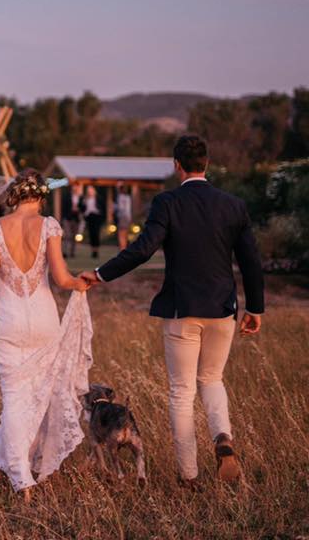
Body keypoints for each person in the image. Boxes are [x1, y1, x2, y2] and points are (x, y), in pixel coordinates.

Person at [82, 135, 265, 488]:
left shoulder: (168, 202)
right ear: (206, 163)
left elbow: (142, 250)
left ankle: (189, 474)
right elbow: (251, 262)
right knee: (212, 379)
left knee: (182, 391)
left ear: (176, 165)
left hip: (182, 310)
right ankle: (222, 437)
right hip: (223, 308)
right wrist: (255, 307)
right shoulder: (233, 205)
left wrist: (101, 274)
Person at [0, 169, 93, 502]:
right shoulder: (49, 225)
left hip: (7, 319)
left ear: (15, 194)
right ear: (39, 195)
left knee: (14, 397)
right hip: (43, 318)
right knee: (39, 395)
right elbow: (63, 278)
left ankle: (22, 478)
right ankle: (28, 463)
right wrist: (83, 284)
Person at [63, 183, 83, 257]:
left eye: (77, 187)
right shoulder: (67, 197)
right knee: (67, 235)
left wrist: (78, 209)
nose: (75, 189)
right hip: (68, 218)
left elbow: (83, 208)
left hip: (76, 219)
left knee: (74, 236)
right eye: (74, 187)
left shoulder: (81, 198)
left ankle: (72, 252)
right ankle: (65, 251)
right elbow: (64, 207)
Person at [82, 185, 103, 259]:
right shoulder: (85, 199)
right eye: (88, 190)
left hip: (96, 217)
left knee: (96, 233)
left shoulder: (98, 198)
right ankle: (93, 251)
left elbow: (102, 208)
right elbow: (82, 208)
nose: (90, 192)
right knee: (91, 234)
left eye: (91, 190)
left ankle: (96, 250)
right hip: (89, 217)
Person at [114, 183, 132, 250]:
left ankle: (122, 248)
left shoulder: (120, 197)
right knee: (125, 234)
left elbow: (121, 208)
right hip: (126, 217)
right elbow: (128, 209)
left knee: (121, 234)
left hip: (122, 216)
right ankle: (124, 247)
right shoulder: (127, 197)